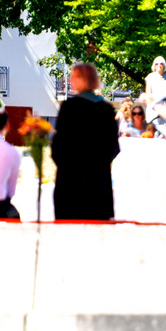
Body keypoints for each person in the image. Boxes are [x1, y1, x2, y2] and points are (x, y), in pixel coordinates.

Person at [51, 63, 119, 220]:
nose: (70, 81)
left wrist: (65, 165)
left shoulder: (69, 108)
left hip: (70, 181)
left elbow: (58, 146)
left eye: (73, 77)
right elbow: (113, 147)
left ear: (83, 79)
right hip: (98, 181)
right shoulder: (106, 110)